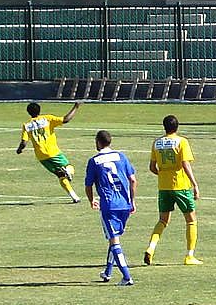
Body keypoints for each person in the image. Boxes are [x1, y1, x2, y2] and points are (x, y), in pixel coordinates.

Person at [143, 115, 203, 266]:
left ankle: (151, 248)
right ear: (177, 127)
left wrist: (163, 174)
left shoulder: (157, 143)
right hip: (181, 186)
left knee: (163, 220)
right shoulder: (181, 141)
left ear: (164, 127)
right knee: (191, 220)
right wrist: (194, 184)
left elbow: (152, 167)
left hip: (163, 187)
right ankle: (190, 255)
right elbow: (185, 164)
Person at [85, 130, 137, 286]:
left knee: (114, 241)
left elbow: (88, 185)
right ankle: (107, 272)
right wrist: (132, 201)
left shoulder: (94, 161)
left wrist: (91, 200)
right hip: (124, 204)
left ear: (98, 142)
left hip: (109, 205)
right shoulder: (121, 156)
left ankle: (127, 277)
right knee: (114, 237)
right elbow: (133, 180)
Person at [16, 102, 82, 203]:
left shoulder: (27, 125)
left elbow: (24, 142)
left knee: (60, 175)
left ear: (28, 112)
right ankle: (68, 171)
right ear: (39, 110)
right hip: (53, 152)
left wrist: (19, 150)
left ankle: (74, 197)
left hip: (41, 156)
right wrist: (76, 107)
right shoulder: (47, 119)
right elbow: (66, 119)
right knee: (69, 167)